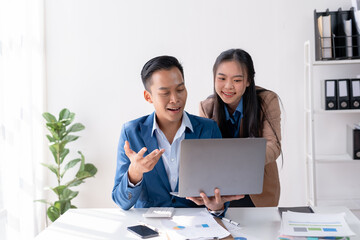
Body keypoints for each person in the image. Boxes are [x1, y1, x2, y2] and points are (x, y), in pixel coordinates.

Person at [112, 55, 242, 213]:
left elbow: (220, 192)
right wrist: (135, 172)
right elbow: (121, 202)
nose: (175, 99)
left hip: (196, 228)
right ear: (148, 97)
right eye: (165, 93)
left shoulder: (209, 130)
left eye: (180, 89)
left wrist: (217, 207)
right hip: (149, 229)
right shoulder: (131, 132)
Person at [199, 49, 282, 207]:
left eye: (237, 80)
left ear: (248, 80)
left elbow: (273, 145)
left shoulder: (266, 100)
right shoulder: (206, 107)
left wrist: (240, 159)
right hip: (220, 191)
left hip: (258, 190)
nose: (228, 86)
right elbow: (204, 152)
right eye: (221, 78)